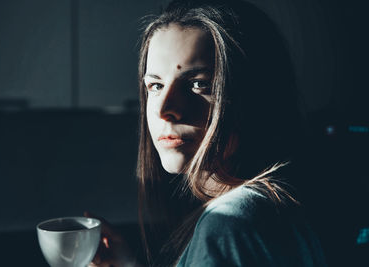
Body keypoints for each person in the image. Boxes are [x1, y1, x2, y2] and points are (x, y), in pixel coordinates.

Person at [88, 0, 328, 266]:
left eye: (199, 84)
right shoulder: (267, 209)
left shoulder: (228, 224)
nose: (165, 110)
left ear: (256, 96)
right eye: (155, 85)